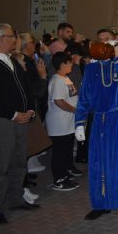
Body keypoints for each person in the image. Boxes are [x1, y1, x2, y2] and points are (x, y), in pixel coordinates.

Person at [0, 24, 40, 225]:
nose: (15, 40)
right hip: (1, 121)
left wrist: (30, 110)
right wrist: (12, 114)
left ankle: (15, 198)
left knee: (19, 161)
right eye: (12, 37)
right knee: (1, 165)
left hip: (21, 119)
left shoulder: (12, 60)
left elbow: (27, 89)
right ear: (1, 38)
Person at [74, 42, 118, 220]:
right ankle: (101, 203)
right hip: (100, 120)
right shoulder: (91, 69)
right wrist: (80, 122)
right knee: (99, 161)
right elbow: (84, 96)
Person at [46, 52, 80, 191]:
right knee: (59, 152)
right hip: (59, 123)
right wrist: (75, 111)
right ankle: (58, 179)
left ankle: (65, 176)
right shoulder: (57, 80)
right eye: (69, 62)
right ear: (62, 64)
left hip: (68, 123)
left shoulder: (65, 78)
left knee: (66, 151)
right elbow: (59, 101)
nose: (71, 64)